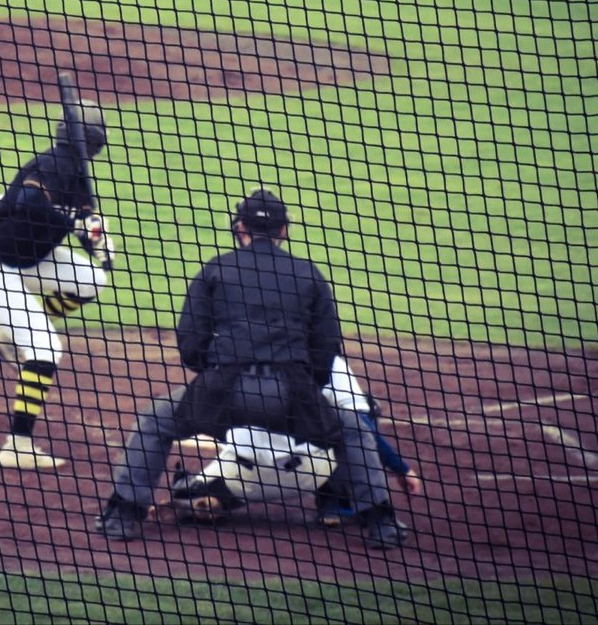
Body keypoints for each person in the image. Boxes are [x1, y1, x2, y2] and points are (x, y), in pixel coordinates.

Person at [94, 189, 349, 542]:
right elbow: (327, 346)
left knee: (155, 420)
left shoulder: (216, 269)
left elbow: (190, 341)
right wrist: (307, 385)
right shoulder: (309, 274)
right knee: (350, 425)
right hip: (293, 397)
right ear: (283, 229)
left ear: (239, 227)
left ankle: (122, 515)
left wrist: (213, 372)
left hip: (224, 390)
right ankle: (373, 517)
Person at [0, 101, 115, 470]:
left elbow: (84, 221)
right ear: (95, 140)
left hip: (24, 258)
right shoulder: (53, 163)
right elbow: (29, 202)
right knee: (45, 346)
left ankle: (7, 336)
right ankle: (17, 445)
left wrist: (97, 242)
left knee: (92, 280)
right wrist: (74, 226)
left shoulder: (78, 176)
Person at [170, 354, 416, 549]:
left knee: (193, 482)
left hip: (243, 475)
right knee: (357, 419)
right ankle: (337, 503)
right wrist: (401, 468)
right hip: (311, 471)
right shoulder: (326, 359)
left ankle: (206, 492)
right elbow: (362, 429)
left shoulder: (229, 355)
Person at [314, 356, 422, 528]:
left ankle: (331, 502)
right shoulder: (332, 363)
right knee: (357, 426)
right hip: (298, 459)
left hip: (275, 459)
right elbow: (363, 429)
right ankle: (344, 503)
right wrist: (401, 468)